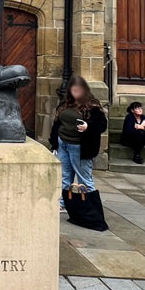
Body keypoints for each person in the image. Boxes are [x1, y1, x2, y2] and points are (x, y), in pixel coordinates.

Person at [50, 76, 108, 204]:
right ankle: (63, 203)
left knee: (84, 178)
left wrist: (88, 126)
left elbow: (102, 125)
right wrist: (54, 143)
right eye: (73, 90)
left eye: (78, 90)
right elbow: (57, 123)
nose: (75, 93)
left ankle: (91, 206)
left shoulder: (92, 106)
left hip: (80, 147)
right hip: (63, 143)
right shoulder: (65, 104)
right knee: (65, 177)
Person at [121, 102, 145, 166]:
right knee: (140, 132)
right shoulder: (129, 117)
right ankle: (137, 155)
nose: (140, 110)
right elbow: (129, 131)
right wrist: (142, 127)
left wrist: (138, 126)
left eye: (141, 108)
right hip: (129, 140)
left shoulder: (144, 117)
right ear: (132, 110)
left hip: (142, 139)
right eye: (137, 108)